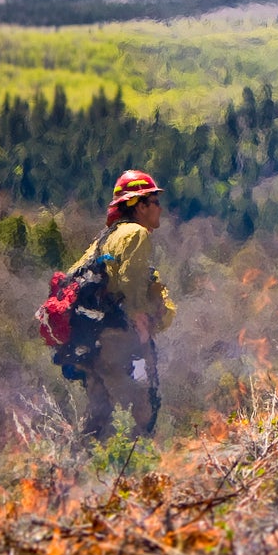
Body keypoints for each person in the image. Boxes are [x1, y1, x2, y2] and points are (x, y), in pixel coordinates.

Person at [74, 169, 176, 440]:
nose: (160, 209)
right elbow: (131, 282)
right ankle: (133, 473)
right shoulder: (135, 234)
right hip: (121, 341)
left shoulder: (104, 238)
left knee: (99, 417)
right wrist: (141, 324)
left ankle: (79, 473)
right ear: (140, 206)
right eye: (154, 202)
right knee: (139, 411)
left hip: (94, 343)